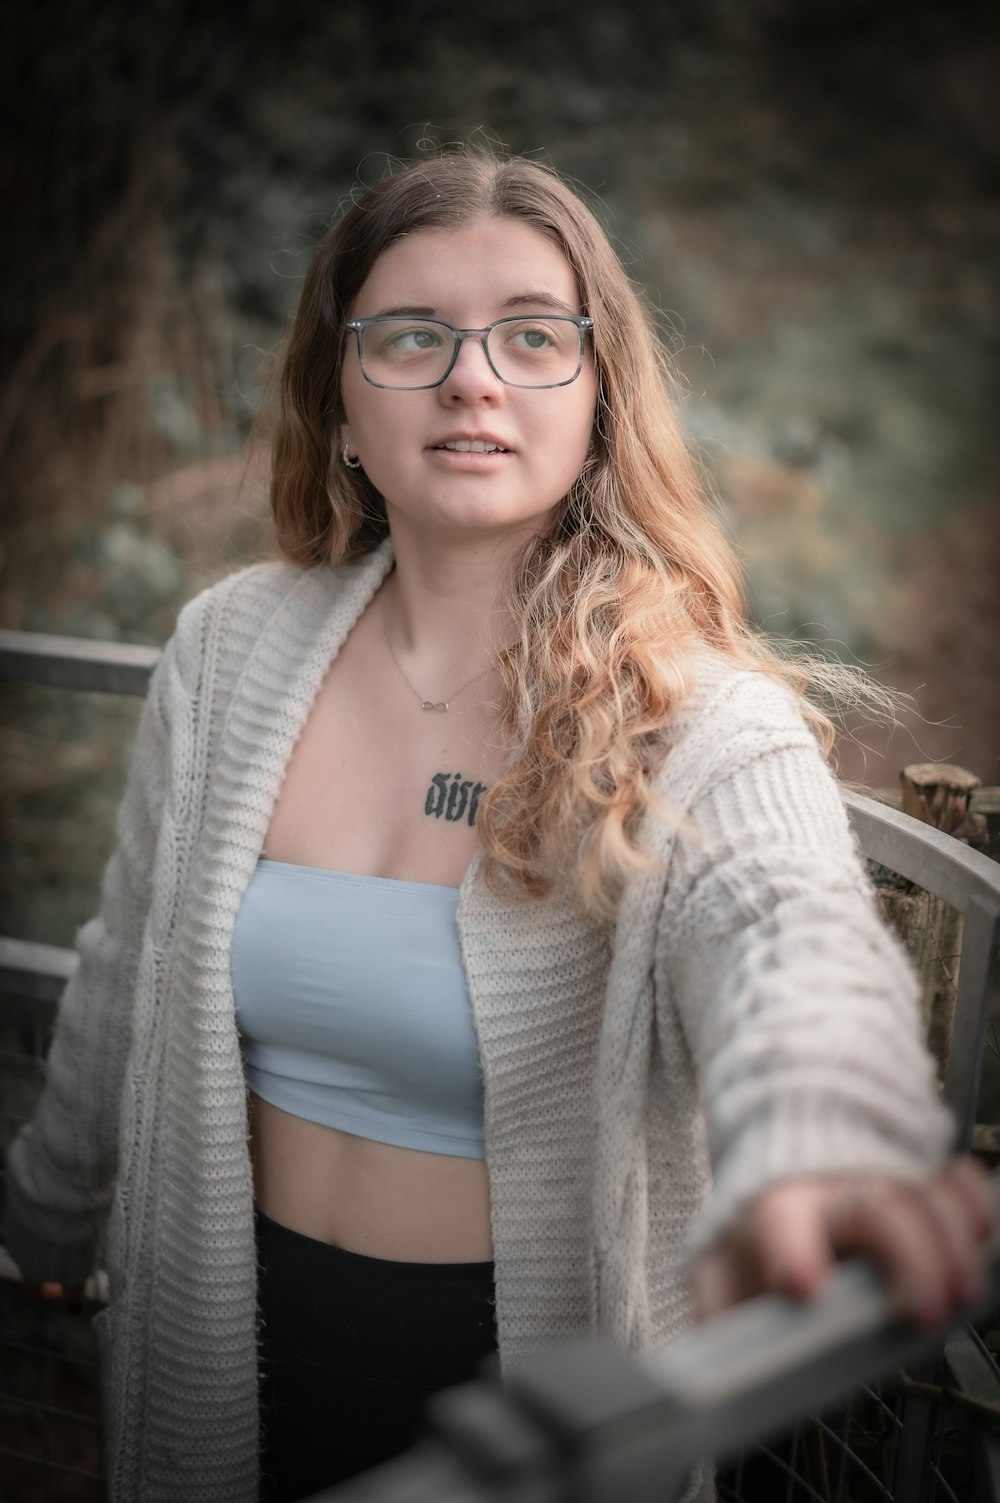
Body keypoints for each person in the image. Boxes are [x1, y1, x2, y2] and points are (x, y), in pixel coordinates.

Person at [5, 145, 995, 1503]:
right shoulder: (225, 651)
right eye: (412, 335)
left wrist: (825, 1135)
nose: (473, 376)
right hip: (218, 1353)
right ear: (339, 401)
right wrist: (46, 1211)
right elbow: (128, 957)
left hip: (539, 1416)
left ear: (597, 398)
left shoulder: (699, 720)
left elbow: (790, 939)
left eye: (535, 336)